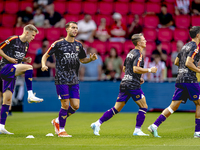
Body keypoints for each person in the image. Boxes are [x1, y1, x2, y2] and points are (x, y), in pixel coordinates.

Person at [90, 33, 157, 136]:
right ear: (138, 43)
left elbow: (125, 69)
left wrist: (137, 78)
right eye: (143, 40)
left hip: (125, 82)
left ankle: (97, 123)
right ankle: (137, 130)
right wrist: (149, 70)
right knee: (144, 106)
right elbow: (135, 69)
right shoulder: (139, 54)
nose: (146, 41)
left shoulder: (130, 53)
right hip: (132, 85)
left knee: (116, 109)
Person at [41, 21, 98, 137]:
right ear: (67, 29)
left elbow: (82, 60)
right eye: (73, 27)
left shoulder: (79, 45)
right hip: (61, 78)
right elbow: (45, 55)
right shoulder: (58, 44)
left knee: (76, 106)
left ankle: (57, 120)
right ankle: (61, 130)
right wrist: (43, 64)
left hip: (74, 79)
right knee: (65, 104)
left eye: (76, 28)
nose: (75, 30)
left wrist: (90, 59)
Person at [148, 26, 200, 138]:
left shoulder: (184, 46)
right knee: (199, 104)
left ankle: (154, 126)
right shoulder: (195, 47)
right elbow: (188, 63)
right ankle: (198, 132)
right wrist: (198, 69)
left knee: (173, 106)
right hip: (190, 80)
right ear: (198, 35)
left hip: (180, 78)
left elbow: (177, 61)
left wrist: (191, 66)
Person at [0, 24, 43, 134]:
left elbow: (18, 57)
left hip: (13, 72)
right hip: (5, 67)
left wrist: (25, 59)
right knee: (29, 68)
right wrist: (9, 58)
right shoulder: (13, 39)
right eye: (32, 35)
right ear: (27, 32)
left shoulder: (26, 45)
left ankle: (1, 127)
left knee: (7, 100)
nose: (33, 38)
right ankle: (30, 95)